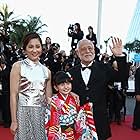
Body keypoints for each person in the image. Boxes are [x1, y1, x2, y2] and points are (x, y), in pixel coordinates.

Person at [68, 38, 127, 140]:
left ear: (94, 51)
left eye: (90, 48)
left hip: (100, 120)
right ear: (77, 53)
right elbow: (58, 88)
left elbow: (122, 76)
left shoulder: (104, 68)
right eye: (83, 49)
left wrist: (119, 56)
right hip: (78, 121)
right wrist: (70, 93)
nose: (87, 51)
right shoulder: (71, 72)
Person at [10, 32, 52, 140]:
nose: (34, 50)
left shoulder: (46, 71)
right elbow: (13, 95)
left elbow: (49, 99)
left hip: (41, 113)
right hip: (23, 112)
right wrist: (14, 121)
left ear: (41, 48)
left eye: (37, 47)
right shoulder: (18, 66)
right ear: (24, 49)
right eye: (30, 47)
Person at [45, 71, 98, 140]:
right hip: (60, 133)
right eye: (62, 84)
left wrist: (86, 109)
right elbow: (51, 120)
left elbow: (78, 116)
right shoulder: (53, 101)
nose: (66, 87)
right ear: (56, 87)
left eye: (68, 83)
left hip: (73, 132)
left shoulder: (74, 99)